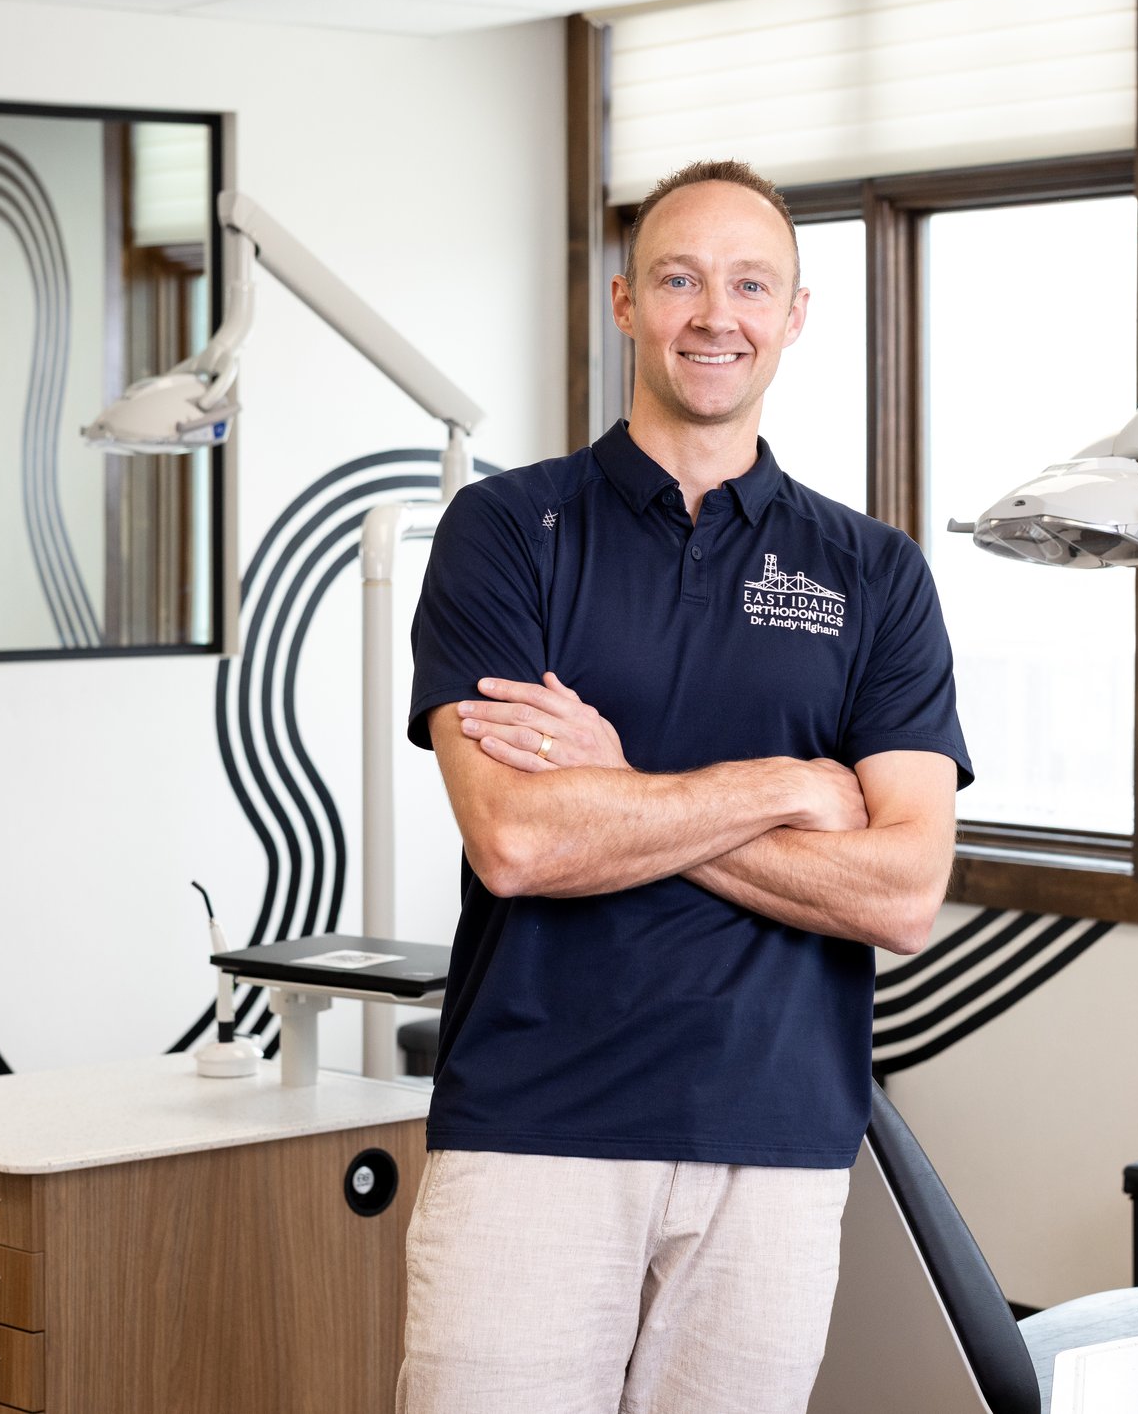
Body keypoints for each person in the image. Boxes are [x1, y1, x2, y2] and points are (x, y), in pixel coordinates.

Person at [396, 158, 970, 1414]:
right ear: (624, 303)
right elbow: (517, 845)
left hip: (776, 1142)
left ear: (796, 314)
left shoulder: (872, 572)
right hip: (534, 1130)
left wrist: (619, 786)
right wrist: (787, 783)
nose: (717, 313)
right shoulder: (507, 531)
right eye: (679, 278)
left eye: (750, 283)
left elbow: (904, 892)